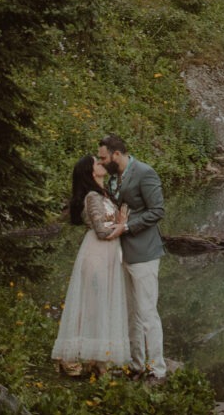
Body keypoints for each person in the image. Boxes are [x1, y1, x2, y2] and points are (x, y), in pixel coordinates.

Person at [51, 153, 129, 376]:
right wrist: (122, 226)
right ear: (90, 171)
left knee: (101, 305)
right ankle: (74, 358)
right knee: (94, 305)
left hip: (108, 254)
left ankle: (97, 359)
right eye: (97, 162)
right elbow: (102, 231)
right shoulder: (92, 197)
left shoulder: (103, 194)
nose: (102, 163)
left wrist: (120, 223)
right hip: (97, 254)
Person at [99, 134, 166, 379]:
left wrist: (127, 227)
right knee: (131, 314)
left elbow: (157, 210)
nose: (102, 161)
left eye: (104, 157)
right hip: (122, 253)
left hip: (145, 253)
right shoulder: (114, 178)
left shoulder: (145, 173)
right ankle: (137, 366)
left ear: (117, 154)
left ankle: (158, 370)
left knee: (148, 313)